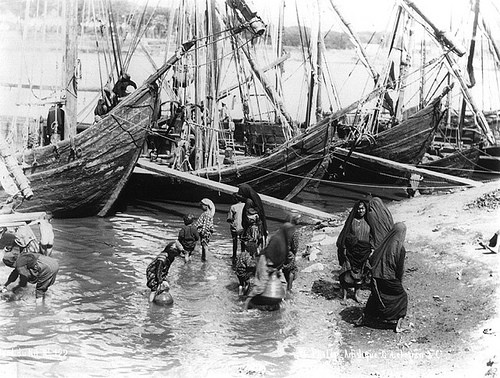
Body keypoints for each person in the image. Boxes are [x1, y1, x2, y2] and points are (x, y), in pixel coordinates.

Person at [356, 223, 408, 332]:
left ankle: (364, 317)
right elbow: (399, 268)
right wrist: (399, 280)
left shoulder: (384, 243)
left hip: (376, 276)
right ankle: (399, 324)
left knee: (376, 294)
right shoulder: (400, 248)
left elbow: (373, 258)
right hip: (388, 277)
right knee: (402, 297)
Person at [243, 222, 295, 310]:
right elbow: (270, 252)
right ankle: (246, 305)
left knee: (283, 284)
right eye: (290, 231)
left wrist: (277, 269)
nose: (291, 234)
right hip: (266, 263)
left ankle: (277, 306)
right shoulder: (277, 239)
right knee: (260, 286)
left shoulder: (284, 241)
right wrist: (270, 267)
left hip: (275, 267)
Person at [336, 200, 372, 303]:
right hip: (351, 252)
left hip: (364, 252)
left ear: (366, 209)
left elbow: (372, 236)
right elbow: (344, 235)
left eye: (363, 208)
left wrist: (372, 248)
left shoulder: (369, 221)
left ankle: (357, 294)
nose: (361, 210)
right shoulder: (351, 221)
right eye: (359, 208)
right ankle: (344, 296)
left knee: (360, 274)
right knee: (346, 273)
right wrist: (345, 247)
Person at [282, 214, 300, 291]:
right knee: (292, 270)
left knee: (284, 270)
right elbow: (295, 246)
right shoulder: (294, 232)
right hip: (289, 253)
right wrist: (294, 254)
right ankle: (289, 289)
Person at [227, 193, 245, 265]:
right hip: (243, 227)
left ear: (236, 199)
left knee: (235, 242)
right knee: (243, 242)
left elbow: (229, 218)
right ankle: (243, 256)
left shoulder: (233, 207)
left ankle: (234, 256)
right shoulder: (245, 205)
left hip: (235, 227)